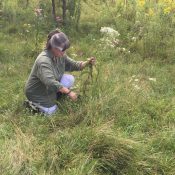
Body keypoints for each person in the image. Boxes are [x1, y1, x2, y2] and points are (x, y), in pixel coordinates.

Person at [25, 29, 95, 115]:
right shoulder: (43, 61)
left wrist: (87, 63)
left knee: (69, 79)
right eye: (62, 50)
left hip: (49, 88)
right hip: (38, 92)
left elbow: (74, 64)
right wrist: (69, 92)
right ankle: (31, 104)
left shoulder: (60, 55)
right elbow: (50, 82)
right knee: (52, 113)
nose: (64, 53)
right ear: (53, 47)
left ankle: (56, 95)